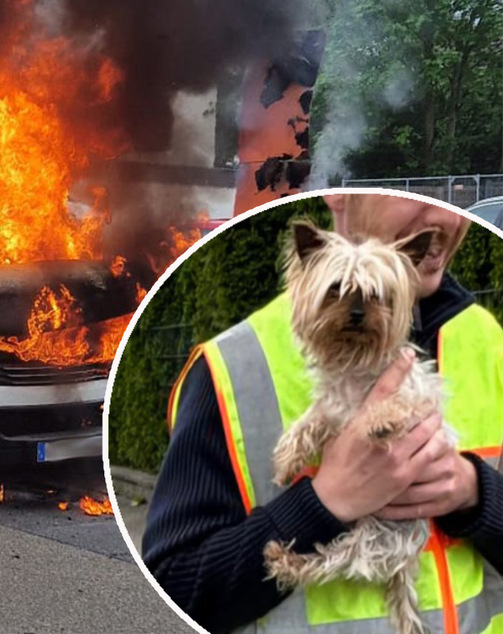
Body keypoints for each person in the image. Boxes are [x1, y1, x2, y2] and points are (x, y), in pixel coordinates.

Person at [142, 193, 503, 633]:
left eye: (378, 298)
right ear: (339, 192)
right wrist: (320, 505)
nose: (449, 215)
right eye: (412, 198)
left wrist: (476, 495)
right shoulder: (235, 366)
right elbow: (171, 587)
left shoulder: (488, 339)